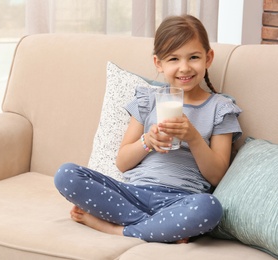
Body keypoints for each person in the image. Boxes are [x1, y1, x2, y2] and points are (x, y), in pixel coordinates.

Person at [54, 14, 242, 243]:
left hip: (181, 200)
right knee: (67, 175)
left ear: (208, 58)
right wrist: (147, 142)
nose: (184, 68)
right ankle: (161, 228)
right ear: (158, 63)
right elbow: (122, 162)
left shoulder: (220, 108)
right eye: (173, 59)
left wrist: (193, 137)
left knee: (210, 208)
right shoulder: (149, 100)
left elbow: (217, 175)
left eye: (193, 57)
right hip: (133, 194)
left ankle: (118, 229)